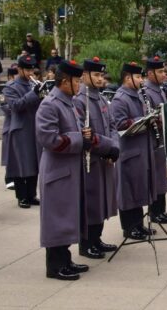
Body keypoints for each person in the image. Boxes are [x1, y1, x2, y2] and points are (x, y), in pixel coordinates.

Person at [35, 60, 90, 281]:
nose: (79, 85)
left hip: (69, 169)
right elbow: (48, 139)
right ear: (65, 81)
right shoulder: (50, 104)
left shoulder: (69, 102)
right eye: (77, 81)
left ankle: (65, 259)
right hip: (57, 172)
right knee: (57, 219)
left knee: (68, 217)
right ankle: (55, 266)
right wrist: (79, 139)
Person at [72, 57, 120, 259]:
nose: (101, 79)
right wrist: (108, 147)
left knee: (101, 201)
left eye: (102, 75)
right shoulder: (80, 100)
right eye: (97, 75)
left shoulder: (100, 98)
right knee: (90, 202)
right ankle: (86, 243)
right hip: (89, 159)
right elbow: (85, 132)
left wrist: (115, 146)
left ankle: (97, 238)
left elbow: (113, 126)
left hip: (104, 157)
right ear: (84, 76)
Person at [111, 62, 156, 241]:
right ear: (128, 78)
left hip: (141, 149)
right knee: (128, 191)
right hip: (128, 152)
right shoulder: (120, 98)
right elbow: (119, 124)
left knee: (138, 189)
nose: (141, 80)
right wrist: (143, 119)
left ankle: (138, 224)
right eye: (138, 77)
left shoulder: (137, 95)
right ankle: (129, 227)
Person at [4, 55, 42, 208]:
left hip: (35, 126)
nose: (30, 72)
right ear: (19, 69)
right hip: (20, 128)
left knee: (34, 161)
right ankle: (21, 196)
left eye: (31, 69)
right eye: (27, 69)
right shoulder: (11, 87)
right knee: (21, 163)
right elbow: (15, 106)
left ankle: (31, 194)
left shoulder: (33, 84)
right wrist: (34, 93)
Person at [143, 57, 167, 224]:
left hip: (163, 138)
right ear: (150, 73)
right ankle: (154, 212)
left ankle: (161, 210)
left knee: (163, 176)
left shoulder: (160, 89)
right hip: (153, 140)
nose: (164, 74)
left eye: (164, 71)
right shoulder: (147, 91)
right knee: (156, 177)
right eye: (160, 71)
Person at [1, 65, 18, 190]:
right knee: (9, 155)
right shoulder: (7, 89)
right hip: (10, 125)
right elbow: (6, 108)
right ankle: (8, 178)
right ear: (11, 76)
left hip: (19, 125)